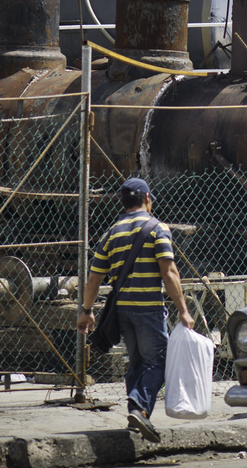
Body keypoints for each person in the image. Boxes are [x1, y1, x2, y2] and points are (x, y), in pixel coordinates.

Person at [76, 177, 195, 441]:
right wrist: (184, 310)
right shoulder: (157, 229)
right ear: (148, 199)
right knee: (161, 360)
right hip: (148, 308)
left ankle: (135, 415)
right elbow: (169, 271)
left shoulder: (112, 232)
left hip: (122, 311)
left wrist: (86, 310)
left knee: (138, 361)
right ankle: (139, 408)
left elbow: (94, 278)